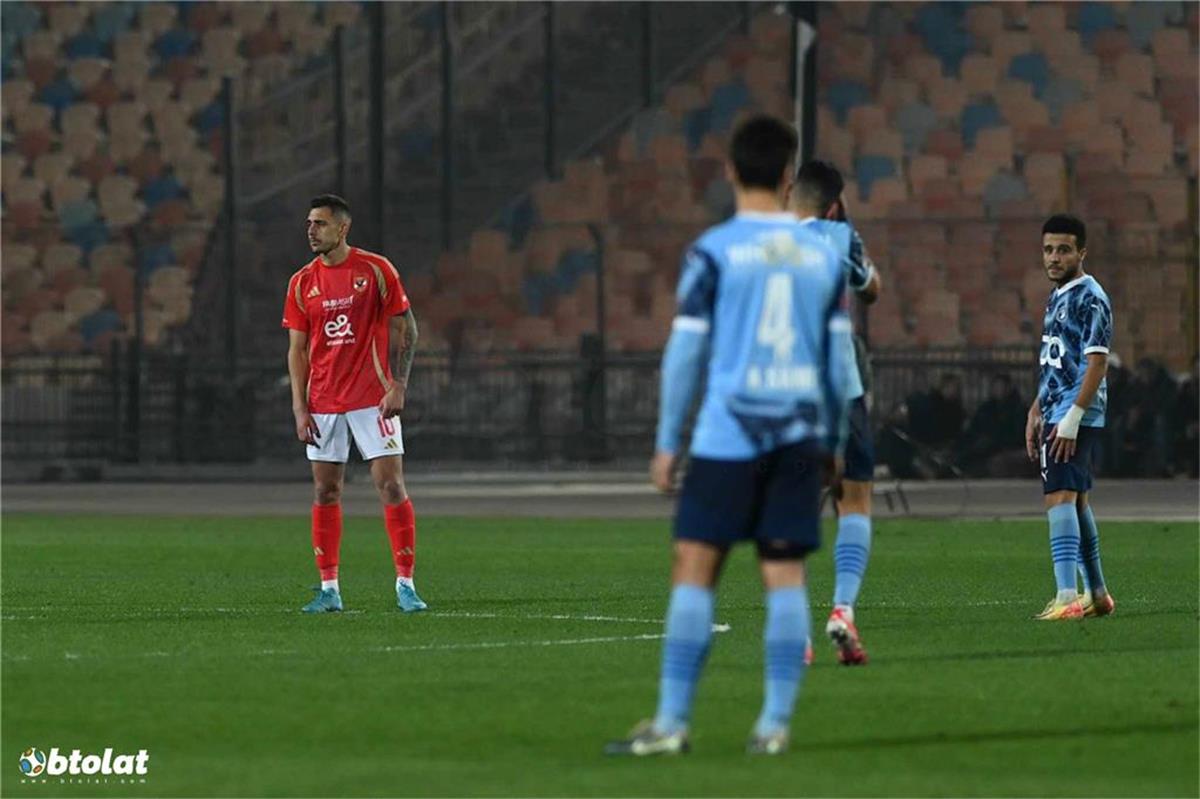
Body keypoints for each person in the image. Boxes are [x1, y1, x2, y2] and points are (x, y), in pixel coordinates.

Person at [605, 115, 852, 757]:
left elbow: (686, 354)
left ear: (731, 171)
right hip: (797, 435)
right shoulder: (820, 257)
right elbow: (835, 358)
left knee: (694, 567)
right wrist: (833, 439)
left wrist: (667, 442)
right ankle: (773, 727)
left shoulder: (713, 251)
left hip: (726, 437)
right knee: (785, 575)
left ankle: (672, 722)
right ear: (787, 176)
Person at [282, 194, 427, 614]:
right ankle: (330, 590)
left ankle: (406, 584)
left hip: (372, 399)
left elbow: (409, 329)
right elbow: (297, 350)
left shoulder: (376, 270)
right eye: (309, 223)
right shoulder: (300, 282)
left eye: (320, 224)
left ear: (342, 229)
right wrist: (299, 407)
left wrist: (399, 384)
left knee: (390, 485)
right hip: (324, 401)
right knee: (326, 491)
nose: (311, 230)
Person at [789, 159, 881, 665]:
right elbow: (872, 288)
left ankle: (796, 635)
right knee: (856, 498)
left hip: (782, 390)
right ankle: (842, 610)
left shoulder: (762, 244)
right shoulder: (838, 236)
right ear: (834, 204)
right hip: (840, 387)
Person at [1024, 214, 1115, 620]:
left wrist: (1072, 416)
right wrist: (1036, 407)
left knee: (1057, 498)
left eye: (1063, 249)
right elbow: (1056, 363)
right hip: (1058, 408)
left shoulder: (1090, 295)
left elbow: (1097, 363)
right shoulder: (1058, 295)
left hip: (1073, 412)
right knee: (1076, 502)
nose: (1054, 257)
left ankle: (1066, 597)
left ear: (1082, 252)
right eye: (1048, 250)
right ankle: (1096, 593)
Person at [963, 373, 1026, 475]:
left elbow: (1016, 433)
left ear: (1008, 388)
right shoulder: (988, 407)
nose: (998, 390)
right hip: (986, 441)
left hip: (1003, 444)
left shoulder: (1017, 408)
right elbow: (975, 426)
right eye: (996, 387)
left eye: (1001, 386)